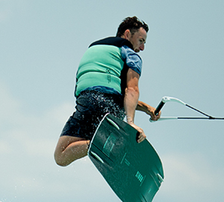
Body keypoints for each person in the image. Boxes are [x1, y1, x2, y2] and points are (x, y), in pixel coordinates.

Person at [54, 17, 160, 167]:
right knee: (117, 112)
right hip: (108, 106)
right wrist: (131, 123)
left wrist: (147, 109)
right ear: (128, 34)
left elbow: (108, 91)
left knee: (61, 156)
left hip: (87, 103)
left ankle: (98, 143)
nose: (142, 48)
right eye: (141, 40)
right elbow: (131, 89)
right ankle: (114, 143)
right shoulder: (130, 54)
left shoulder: (96, 48)